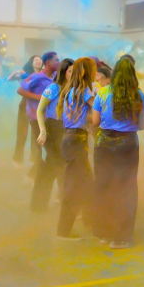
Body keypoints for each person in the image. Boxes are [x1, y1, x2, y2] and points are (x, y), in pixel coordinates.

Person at [92, 57, 144, 248]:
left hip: (104, 143)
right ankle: (122, 237)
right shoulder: (138, 95)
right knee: (126, 189)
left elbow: (95, 122)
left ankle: (103, 232)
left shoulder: (103, 92)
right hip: (127, 144)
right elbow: (142, 125)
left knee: (103, 186)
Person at [56, 57, 96, 240]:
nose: (95, 73)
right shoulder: (84, 90)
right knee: (74, 187)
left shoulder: (72, 90)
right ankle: (63, 231)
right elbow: (99, 108)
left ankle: (91, 221)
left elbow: (83, 116)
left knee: (87, 185)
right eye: (93, 70)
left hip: (71, 139)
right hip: (76, 142)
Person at [32, 58, 74, 213]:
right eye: (70, 71)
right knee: (48, 168)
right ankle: (38, 206)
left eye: (75, 71)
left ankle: (66, 206)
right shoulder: (53, 88)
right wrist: (42, 131)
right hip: (52, 130)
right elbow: (40, 110)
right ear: (63, 72)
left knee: (65, 169)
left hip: (68, 130)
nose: (73, 74)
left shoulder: (75, 89)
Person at [18, 53, 59, 177]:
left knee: (51, 148)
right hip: (35, 116)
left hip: (50, 117)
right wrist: (39, 97)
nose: (58, 62)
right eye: (56, 60)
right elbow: (20, 90)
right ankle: (35, 176)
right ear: (48, 63)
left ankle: (35, 174)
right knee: (42, 147)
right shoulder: (36, 77)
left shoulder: (56, 76)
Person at [10, 55, 43, 166]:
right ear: (31, 63)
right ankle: (17, 158)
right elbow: (10, 79)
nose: (38, 62)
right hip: (25, 105)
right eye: (35, 60)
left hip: (38, 107)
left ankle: (34, 158)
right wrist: (16, 72)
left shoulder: (44, 74)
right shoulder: (27, 74)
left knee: (36, 133)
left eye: (40, 60)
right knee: (22, 133)